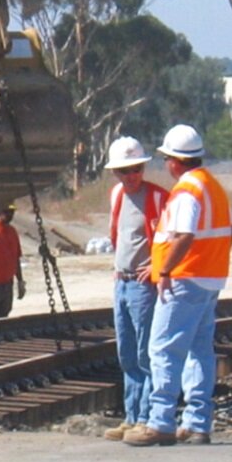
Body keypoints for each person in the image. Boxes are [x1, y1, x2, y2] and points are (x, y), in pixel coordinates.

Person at [126, 124, 232, 447]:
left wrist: (167, 269)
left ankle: (160, 421)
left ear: (174, 161)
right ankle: (197, 424)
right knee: (199, 351)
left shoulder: (187, 191)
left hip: (184, 280)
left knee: (163, 349)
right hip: (209, 278)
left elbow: (184, 235)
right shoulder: (212, 186)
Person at [102, 136, 169, 441]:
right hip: (123, 282)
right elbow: (119, 235)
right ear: (116, 173)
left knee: (145, 353)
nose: (131, 176)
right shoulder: (117, 195)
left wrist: (157, 268)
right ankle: (131, 417)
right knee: (127, 353)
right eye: (125, 171)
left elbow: (174, 238)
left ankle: (145, 416)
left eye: (136, 169)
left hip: (144, 287)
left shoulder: (157, 198)